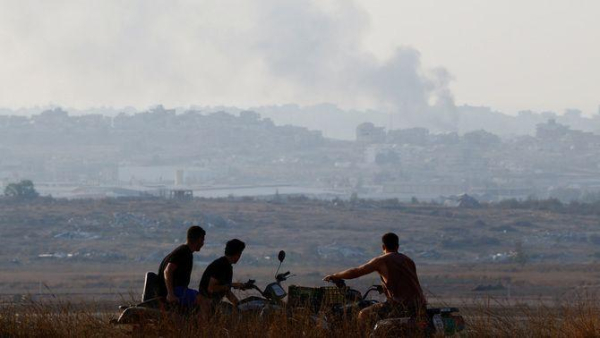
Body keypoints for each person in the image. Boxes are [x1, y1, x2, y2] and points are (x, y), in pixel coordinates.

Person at [324, 232, 426, 323]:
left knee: (363, 314)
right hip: (420, 304)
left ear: (383, 247)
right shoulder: (408, 260)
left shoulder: (382, 260)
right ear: (397, 246)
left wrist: (335, 276)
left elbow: (356, 272)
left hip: (399, 305)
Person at [157, 225, 206, 307]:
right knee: (203, 301)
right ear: (199, 240)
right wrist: (170, 294)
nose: (203, 244)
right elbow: (167, 271)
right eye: (202, 240)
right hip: (175, 290)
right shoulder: (183, 252)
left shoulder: (182, 251)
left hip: (176, 290)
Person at [198, 239, 246, 316]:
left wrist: (239, 305)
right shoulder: (220, 265)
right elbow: (211, 288)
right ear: (237, 254)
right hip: (206, 304)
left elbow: (226, 291)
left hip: (213, 304)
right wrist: (232, 285)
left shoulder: (227, 266)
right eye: (239, 253)